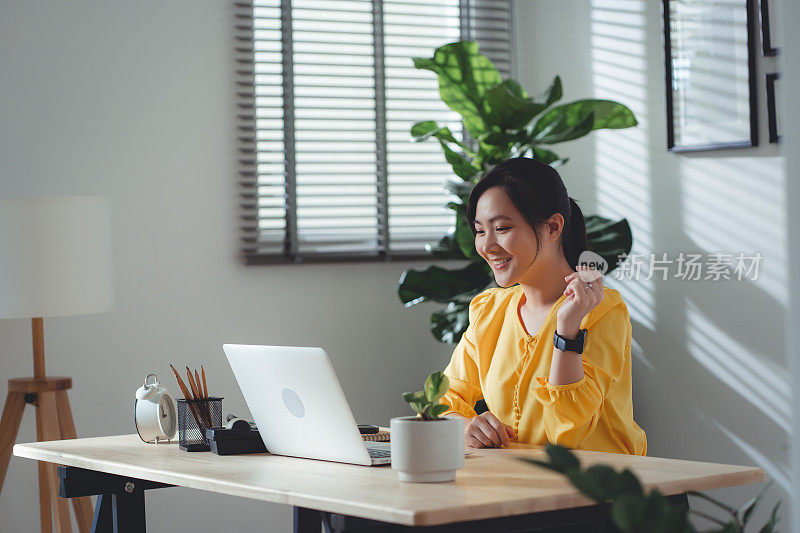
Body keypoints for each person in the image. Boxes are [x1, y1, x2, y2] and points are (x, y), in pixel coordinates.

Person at [439, 157, 647, 455]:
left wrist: (567, 331)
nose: (486, 246)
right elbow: (442, 397)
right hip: (517, 485)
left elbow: (566, 435)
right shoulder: (489, 310)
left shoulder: (602, 309)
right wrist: (462, 426)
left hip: (600, 490)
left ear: (552, 226)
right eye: (480, 231)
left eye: (502, 228)